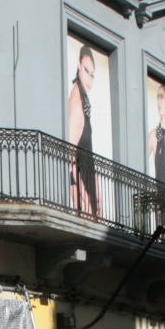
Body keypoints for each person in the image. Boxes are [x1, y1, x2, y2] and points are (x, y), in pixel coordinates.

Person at [67, 46, 100, 218]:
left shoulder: (82, 99)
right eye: (87, 70)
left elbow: (89, 152)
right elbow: (71, 155)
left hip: (88, 182)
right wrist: (83, 194)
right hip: (81, 186)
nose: (89, 78)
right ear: (79, 66)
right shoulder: (76, 102)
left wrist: (96, 192)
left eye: (92, 74)